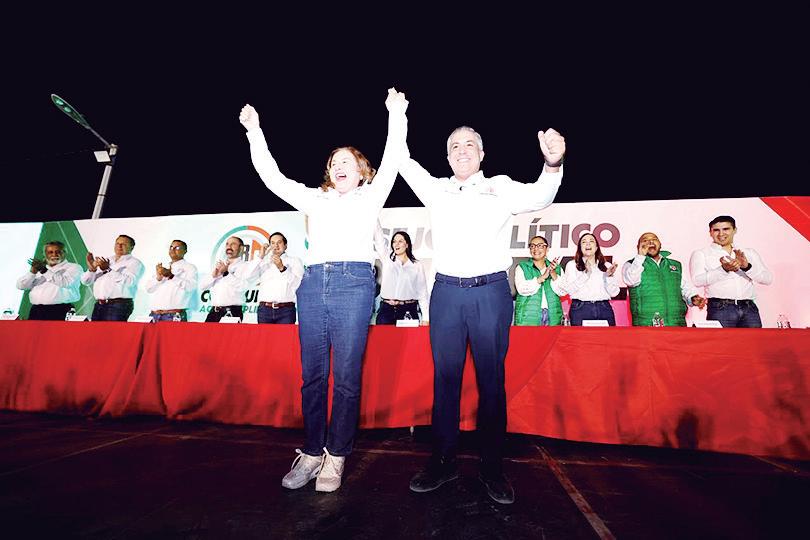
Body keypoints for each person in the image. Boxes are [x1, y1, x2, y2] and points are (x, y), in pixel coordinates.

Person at [239, 88, 408, 492]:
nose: (339, 166)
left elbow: (392, 157)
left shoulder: (371, 196)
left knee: (346, 376)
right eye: (334, 163)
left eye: (347, 161)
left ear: (362, 171)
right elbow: (272, 177)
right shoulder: (314, 199)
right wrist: (255, 132)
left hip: (354, 283)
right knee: (312, 375)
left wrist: (396, 113)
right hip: (313, 283)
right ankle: (313, 452)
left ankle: (337, 454)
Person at [400, 120, 565, 505]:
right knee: (445, 381)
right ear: (447, 157)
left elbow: (540, 195)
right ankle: (443, 462)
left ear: (482, 153)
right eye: (455, 145)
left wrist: (552, 164)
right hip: (446, 293)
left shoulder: (500, 187)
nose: (462, 150)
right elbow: (402, 160)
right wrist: (397, 116)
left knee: (491, 382)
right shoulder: (436, 189)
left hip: (490, 293)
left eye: (469, 144)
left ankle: (492, 468)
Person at [689, 215, 772, 327]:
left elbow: (767, 279)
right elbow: (697, 280)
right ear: (710, 232)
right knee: (722, 339)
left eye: (726, 229)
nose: (721, 234)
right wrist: (723, 270)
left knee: (754, 339)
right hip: (720, 308)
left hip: (749, 307)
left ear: (734, 230)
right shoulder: (701, 253)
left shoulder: (748, 252)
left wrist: (747, 267)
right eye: (716, 230)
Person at [622, 232, 706, 326]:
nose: (650, 242)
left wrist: (693, 298)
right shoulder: (631, 265)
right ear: (638, 247)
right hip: (647, 324)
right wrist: (640, 256)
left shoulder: (675, 265)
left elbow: (685, 288)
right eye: (645, 240)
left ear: (660, 244)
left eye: (654, 239)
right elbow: (631, 281)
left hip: (677, 323)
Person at [554, 233, 620, 326]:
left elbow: (614, 293)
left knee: (607, 336)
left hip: (604, 308)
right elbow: (569, 290)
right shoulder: (572, 265)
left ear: (596, 247)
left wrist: (609, 276)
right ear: (580, 248)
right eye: (584, 242)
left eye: (591, 241)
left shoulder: (607, 266)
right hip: (580, 309)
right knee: (580, 336)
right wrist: (585, 274)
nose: (588, 244)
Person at [373, 221, 428, 325]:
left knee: (409, 337)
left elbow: (422, 293)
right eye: (394, 241)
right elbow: (379, 241)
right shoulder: (387, 260)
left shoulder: (417, 265)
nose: (396, 244)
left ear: (407, 245)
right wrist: (375, 218)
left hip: (408, 310)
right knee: (383, 336)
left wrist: (426, 318)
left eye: (400, 241)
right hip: (386, 311)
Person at [80, 235, 144, 321]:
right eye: (117, 243)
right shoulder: (106, 260)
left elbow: (130, 282)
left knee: (112, 330)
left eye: (123, 244)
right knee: (95, 330)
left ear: (131, 247)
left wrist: (108, 269)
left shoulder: (135, 263)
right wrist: (92, 269)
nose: (119, 246)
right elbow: (85, 281)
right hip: (99, 305)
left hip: (118, 305)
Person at [16, 241, 82, 320]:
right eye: (50, 252)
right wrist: (32, 273)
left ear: (65, 252)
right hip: (37, 311)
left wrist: (44, 271)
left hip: (61, 310)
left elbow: (66, 283)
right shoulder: (39, 268)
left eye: (58, 252)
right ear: (45, 254)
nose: (54, 254)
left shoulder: (74, 267)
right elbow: (21, 286)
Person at [247, 232, 304, 324]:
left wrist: (282, 268)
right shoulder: (263, 262)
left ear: (285, 246)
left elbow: (298, 284)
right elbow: (248, 276)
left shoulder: (294, 261)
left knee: (284, 334)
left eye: (279, 242)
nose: (276, 246)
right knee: (263, 334)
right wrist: (261, 256)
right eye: (272, 243)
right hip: (264, 310)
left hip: (286, 310)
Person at [513, 235, 564, 326]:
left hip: (552, 316)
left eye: (540, 245)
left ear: (547, 249)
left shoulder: (557, 268)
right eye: (532, 246)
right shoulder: (522, 267)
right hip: (528, 316)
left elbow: (563, 291)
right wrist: (542, 278)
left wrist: (553, 273)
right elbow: (521, 289)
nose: (536, 249)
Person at [199, 236, 252, 322]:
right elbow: (202, 286)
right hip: (213, 312)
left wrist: (226, 273)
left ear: (241, 248)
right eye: (227, 244)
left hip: (231, 312)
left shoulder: (245, 266)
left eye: (233, 244)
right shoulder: (219, 264)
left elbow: (243, 287)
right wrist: (213, 276)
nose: (229, 247)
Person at [144, 240, 198, 322]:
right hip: (154, 315)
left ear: (185, 251)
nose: (173, 250)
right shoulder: (163, 267)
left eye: (177, 248)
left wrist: (171, 276)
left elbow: (191, 287)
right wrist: (158, 278)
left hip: (173, 315)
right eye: (171, 247)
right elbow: (148, 289)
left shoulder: (190, 267)